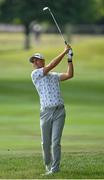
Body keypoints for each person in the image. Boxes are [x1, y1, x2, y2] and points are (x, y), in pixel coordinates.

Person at [29, 44, 74, 175]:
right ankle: (48, 165)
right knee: (45, 143)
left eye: (37, 59)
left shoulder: (54, 76)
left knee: (55, 142)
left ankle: (55, 169)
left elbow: (69, 75)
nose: (35, 62)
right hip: (46, 112)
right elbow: (52, 65)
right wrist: (64, 51)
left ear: (43, 61)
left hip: (59, 111)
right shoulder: (35, 74)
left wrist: (69, 59)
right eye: (34, 61)